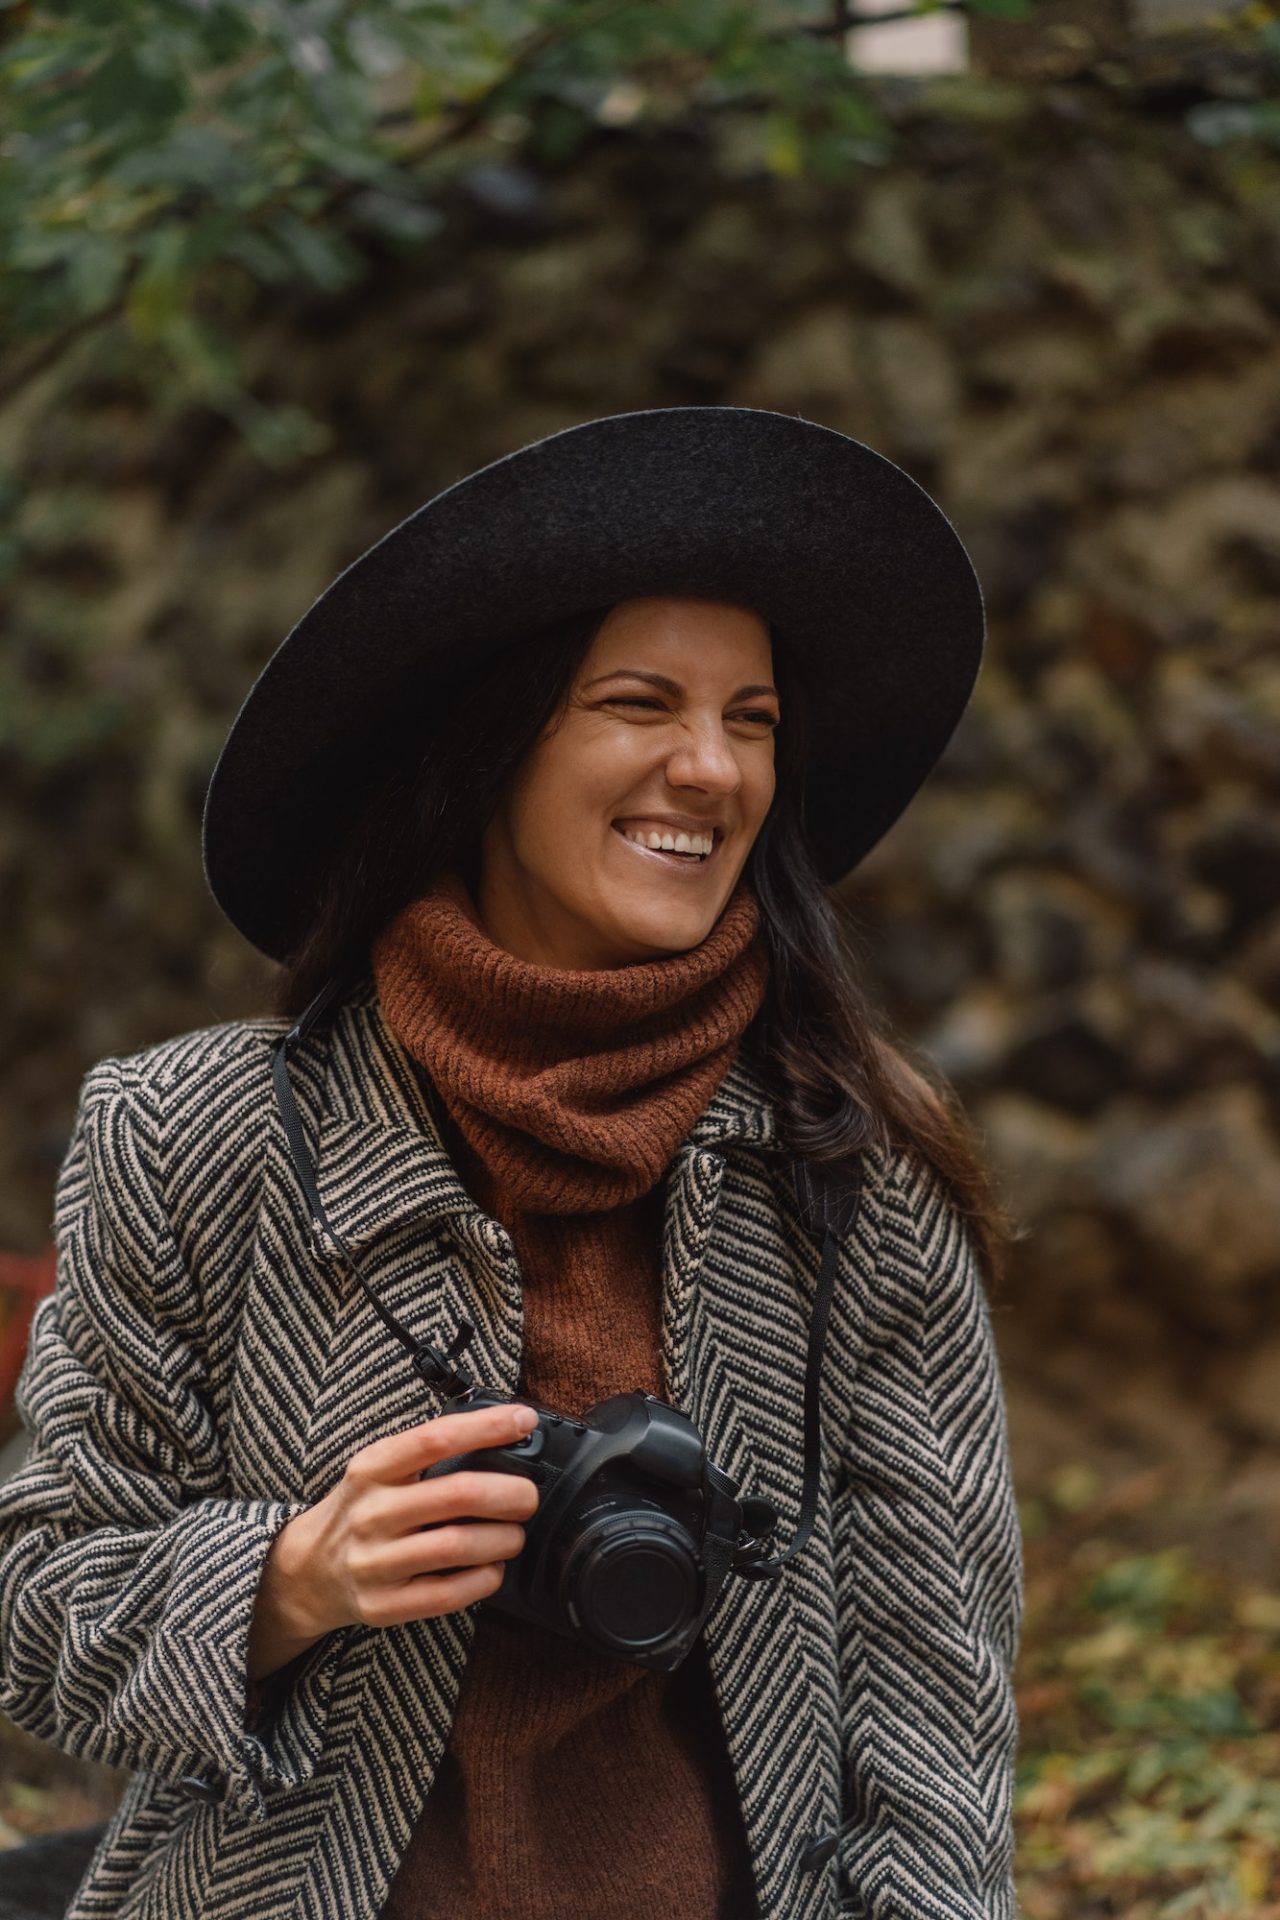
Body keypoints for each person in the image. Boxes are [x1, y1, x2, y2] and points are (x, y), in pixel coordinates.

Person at [0, 406, 1023, 1920]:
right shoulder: (191, 1132)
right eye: (639, 701)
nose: (710, 767)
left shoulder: (853, 1158)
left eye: (752, 718)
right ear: (490, 739)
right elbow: (39, 1610)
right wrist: (287, 1580)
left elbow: (935, 1694)